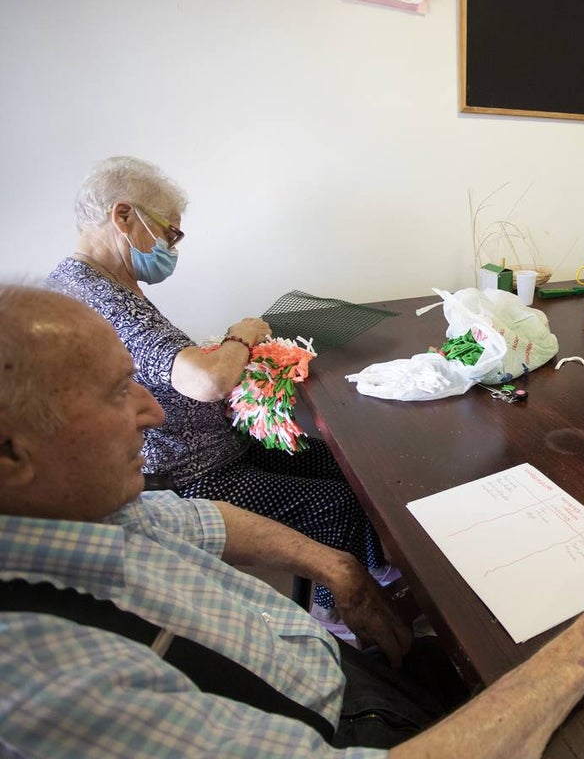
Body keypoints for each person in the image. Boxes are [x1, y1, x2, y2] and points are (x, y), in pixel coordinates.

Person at [0, 284, 584, 757]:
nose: (152, 411)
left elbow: (195, 519)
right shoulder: (47, 680)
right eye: (117, 394)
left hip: (323, 670)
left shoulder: (85, 516)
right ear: (11, 454)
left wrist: (337, 567)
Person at [46, 156, 383, 612]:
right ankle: (339, 614)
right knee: (334, 503)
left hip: (216, 447)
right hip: (190, 474)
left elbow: (159, 367)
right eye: (170, 233)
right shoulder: (99, 297)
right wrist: (239, 337)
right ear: (123, 216)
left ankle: (375, 572)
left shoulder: (94, 282)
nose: (171, 247)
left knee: (343, 464)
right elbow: (208, 382)